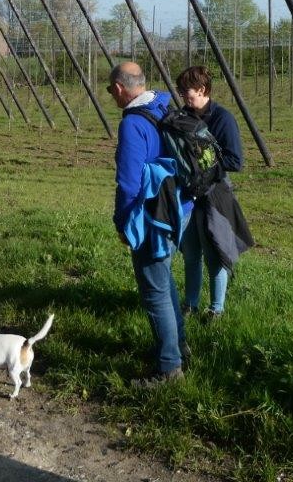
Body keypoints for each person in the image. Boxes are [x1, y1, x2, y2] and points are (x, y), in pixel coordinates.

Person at [107, 61, 192, 388]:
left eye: (110, 90)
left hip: (152, 215)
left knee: (154, 291)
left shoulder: (132, 124)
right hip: (178, 207)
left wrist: (122, 223)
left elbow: (128, 183)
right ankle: (179, 346)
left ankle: (169, 368)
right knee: (164, 279)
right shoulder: (163, 105)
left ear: (119, 88)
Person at [175, 65, 250, 320]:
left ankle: (216, 308)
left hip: (213, 194)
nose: (184, 96)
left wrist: (205, 170)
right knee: (191, 251)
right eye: (181, 91)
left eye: (188, 91)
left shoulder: (222, 118)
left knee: (215, 250)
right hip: (188, 194)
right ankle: (190, 304)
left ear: (203, 90)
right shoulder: (183, 116)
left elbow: (234, 160)